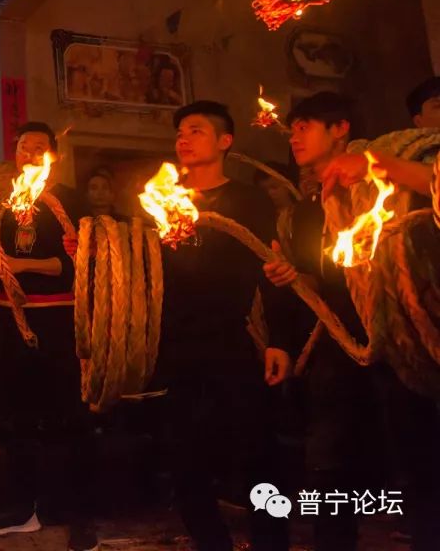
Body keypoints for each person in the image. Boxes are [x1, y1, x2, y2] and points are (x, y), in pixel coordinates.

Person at [263, 92, 440, 551]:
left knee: (421, 465)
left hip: (409, 346)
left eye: (305, 125)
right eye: (292, 128)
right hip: (342, 348)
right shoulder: (305, 211)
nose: (294, 136)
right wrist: (291, 276)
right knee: (330, 467)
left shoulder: (387, 176)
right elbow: (319, 279)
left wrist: (378, 166)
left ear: (340, 127)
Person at [155, 101, 292, 551]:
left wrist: (279, 341)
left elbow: (268, 267)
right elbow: (136, 268)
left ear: (225, 141)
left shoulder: (245, 200)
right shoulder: (160, 199)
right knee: (184, 461)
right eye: (179, 132)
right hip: (175, 345)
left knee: (257, 454)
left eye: (195, 130)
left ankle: (271, 541)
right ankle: (212, 543)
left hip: (229, 340)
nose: (183, 138)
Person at [0, 122, 98, 551]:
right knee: (15, 417)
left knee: (67, 415)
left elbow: (74, 264)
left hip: (58, 319)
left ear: (52, 155)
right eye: (23, 146)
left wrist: (20, 267)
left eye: (39, 147)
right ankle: (21, 508)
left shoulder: (70, 200)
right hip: (10, 319)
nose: (29, 152)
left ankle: (74, 511)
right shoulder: (2, 202)